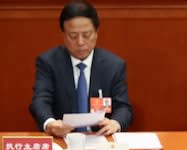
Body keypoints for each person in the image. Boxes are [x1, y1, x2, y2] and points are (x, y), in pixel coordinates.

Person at [29, 0, 132, 137]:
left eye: (86, 34)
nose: (80, 42)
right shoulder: (48, 62)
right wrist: (50, 123)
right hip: (63, 139)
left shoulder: (113, 66)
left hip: (100, 139)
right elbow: (40, 101)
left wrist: (115, 123)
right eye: (73, 36)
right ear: (63, 36)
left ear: (96, 33)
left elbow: (123, 107)